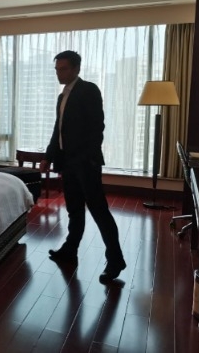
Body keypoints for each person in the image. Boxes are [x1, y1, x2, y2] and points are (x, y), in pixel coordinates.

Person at [39, 50, 126, 284]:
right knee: (74, 210)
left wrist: (87, 159)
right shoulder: (62, 96)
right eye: (57, 69)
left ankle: (115, 259)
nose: (59, 73)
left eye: (64, 69)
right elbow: (58, 130)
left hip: (85, 163)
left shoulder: (89, 90)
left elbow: (97, 127)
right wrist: (48, 156)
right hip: (67, 162)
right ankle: (70, 250)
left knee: (99, 211)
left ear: (76, 69)